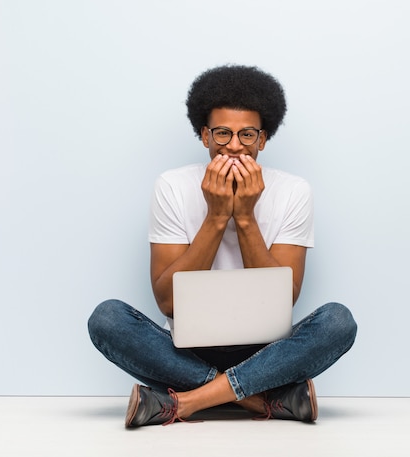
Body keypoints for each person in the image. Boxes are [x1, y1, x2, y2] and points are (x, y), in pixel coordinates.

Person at [87, 64, 357, 428]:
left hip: (268, 350)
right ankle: (262, 399)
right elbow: (167, 302)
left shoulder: (293, 191)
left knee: (338, 322)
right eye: (223, 133)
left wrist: (244, 217)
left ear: (262, 139)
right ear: (204, 136)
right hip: (187, 348)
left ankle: (186, 402)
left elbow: (283, 298)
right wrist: (216, 217)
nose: (234, 146)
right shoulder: (172, 186)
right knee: (107, 319)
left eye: (247, 135)